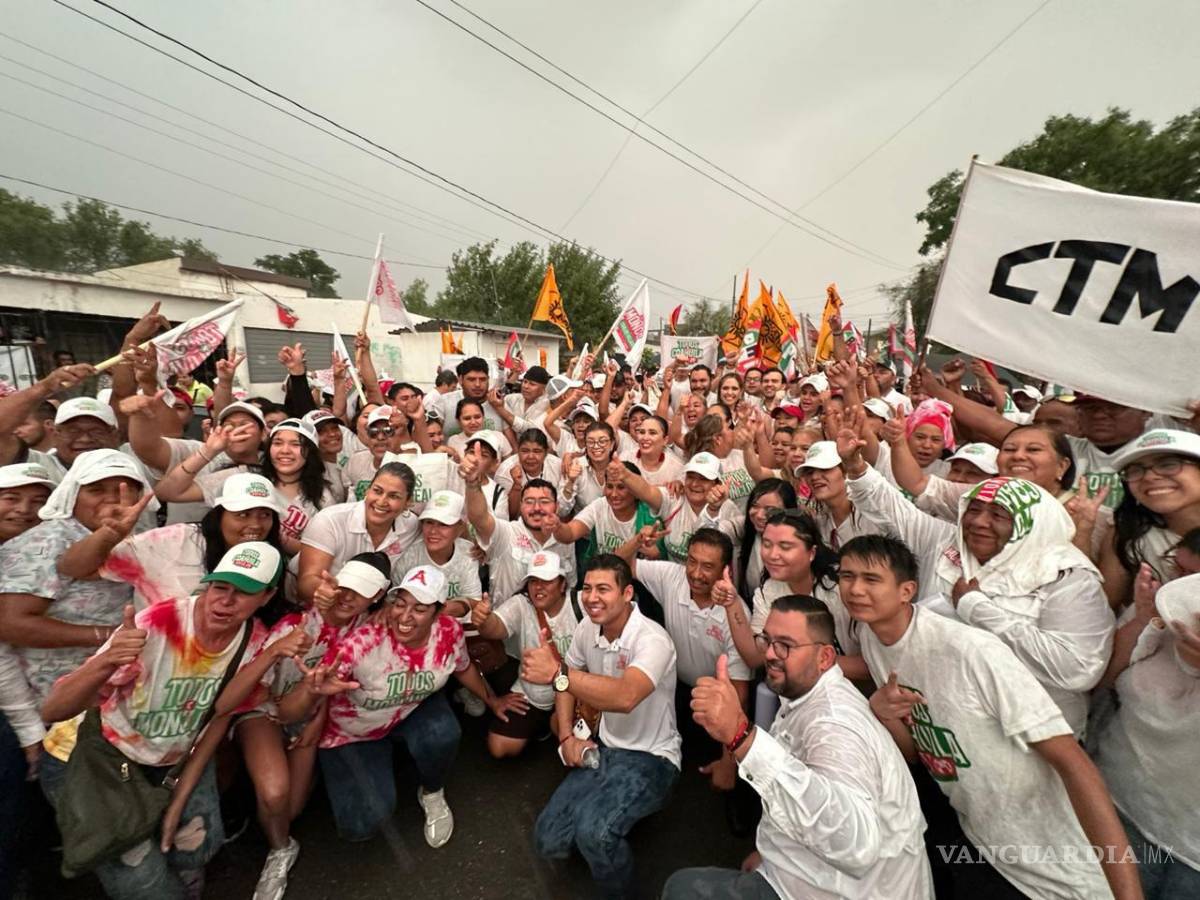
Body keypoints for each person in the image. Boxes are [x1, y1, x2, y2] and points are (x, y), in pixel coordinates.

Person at [840, 535, 1141, 899]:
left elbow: (1074, 765)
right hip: (979, 842)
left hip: (1054, 870)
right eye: (846, 576)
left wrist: (1127, 895)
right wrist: (881, 712)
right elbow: (917, 752)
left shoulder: (972, 652)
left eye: (871, 579)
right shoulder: (874, 640)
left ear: (907, 590)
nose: (855, 589)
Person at [38, 542, 306, 900]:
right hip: (94, 758)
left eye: (243, 593)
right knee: (149, 887)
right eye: (220, 587)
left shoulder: (254, 641)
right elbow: (53, 710)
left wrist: (178, 798)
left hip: (167, 759)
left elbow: (220, 712)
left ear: (267, 596)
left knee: (199, 843)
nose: (224, 601)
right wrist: (104, 662)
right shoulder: (158, 623)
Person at [841, 433, 1114, 738]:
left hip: (1027, 746)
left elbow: (1076, 669)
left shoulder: (1067, 577)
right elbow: (893, 509)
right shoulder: (947, 543)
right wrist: (856, 467)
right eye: (973, 510)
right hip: (940, 733)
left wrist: (976, 608)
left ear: (1030, 523)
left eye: (998, 515)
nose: (979, 522)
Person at [664, 594, 933, 899]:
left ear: (825, 658)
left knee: (681, 890)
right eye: (767, 640)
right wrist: (770, 857)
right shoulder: (804, 692)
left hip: (843, 890)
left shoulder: (835, 726)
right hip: (803, 870)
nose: (770, 654)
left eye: (786, 645)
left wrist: (740, 736)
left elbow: (855, 845)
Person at [280, 565, 502, 847]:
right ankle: (376, 765)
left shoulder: (449, 631)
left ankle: (432, 790)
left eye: (420, 608)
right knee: (361, 825)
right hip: (354, 733)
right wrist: (310, 693)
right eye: (400, 604)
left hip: (408, 710)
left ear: (438, 612)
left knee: (442, 733)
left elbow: (463, 667)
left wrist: (492, 700)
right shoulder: (361, 644)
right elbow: (286, 712)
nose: (405, 617)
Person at [522, 555, 681, 899]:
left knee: (595, 834)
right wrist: (566, 737)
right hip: (605, 749)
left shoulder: (653, 640)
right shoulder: (586, 628)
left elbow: (625, 697)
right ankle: (610, 824)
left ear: (627, 594)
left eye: (603, 589)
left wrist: (557, 674)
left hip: (652, 758)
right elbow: (567, 681)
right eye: (587, 588)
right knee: (547, 839)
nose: (592, 597)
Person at [240, 552, 391, 900]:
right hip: (263, 707)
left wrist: (318, 716)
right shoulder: (297, 620)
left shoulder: (364, 630)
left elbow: (339, 684)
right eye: (344, 586)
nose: (347, 597)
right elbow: (261, 690)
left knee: (290, 809)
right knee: (275, 794)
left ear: (378, 596)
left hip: (309, 710)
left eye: (361, 592)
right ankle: (279, 850)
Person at [0, 451, 156, 709]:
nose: (112, 500)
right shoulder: (45, 540)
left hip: (109, 694)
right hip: (51, 697)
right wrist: (108, 637)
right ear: (73, 495)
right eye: (96, 490)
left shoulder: (140, 537)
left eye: (124, 490)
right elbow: (10, 623)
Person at [1091, 570, 1200, 898]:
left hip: (1191, 856)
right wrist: (1144, 618)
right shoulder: (1168, 612)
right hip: (1117, 805)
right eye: (1178, 569)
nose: (1180, 581)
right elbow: (1104, 679)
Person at [619, 528, 752, 791]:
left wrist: (728, 763)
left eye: (707, 566)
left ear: (726, 571)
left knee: (728, 778)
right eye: (692, 561)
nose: (695, 573)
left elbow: (740, 693)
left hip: (717, 701)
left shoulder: (736, 614)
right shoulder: (672, 575)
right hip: (677, 690)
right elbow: (619, 566)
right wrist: (637, 541)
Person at [57, 472, 287, 611]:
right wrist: (108, 534)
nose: (256, 525)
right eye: (242, 514)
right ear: (219, 515)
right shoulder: (171, 542)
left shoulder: (271, 557)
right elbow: (75, 568)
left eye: (265, 514)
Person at [472, 551, 581, 758]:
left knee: (571, 734)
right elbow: (495, 629)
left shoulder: (580, 605)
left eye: (546, 580)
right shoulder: (521, 604)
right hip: (533, 694)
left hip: (575, 692)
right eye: (533, 581)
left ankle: (555, 724)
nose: (538, 587)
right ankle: (541, 725)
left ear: (562, 584)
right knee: (500, 747)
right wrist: (484, 620)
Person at [1101, 429, 1200, 608]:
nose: (1149, 476)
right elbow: (1101, 609)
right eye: (1135, 470)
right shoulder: (1128, 532)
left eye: (1168, 464)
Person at [296, 463, 420, 603]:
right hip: (313, 608)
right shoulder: (330, 520)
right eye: (377, 491)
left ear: (408, 503)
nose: (382, 501)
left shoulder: (412, 526)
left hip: (367, 610)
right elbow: (305, 583)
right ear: (367, 491)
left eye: (394, 496)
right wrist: (324, 592)